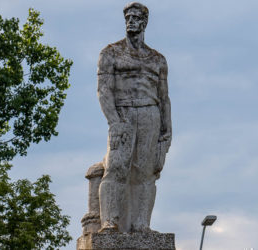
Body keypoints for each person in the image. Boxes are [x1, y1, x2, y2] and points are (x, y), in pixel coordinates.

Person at [97, 2, 172, 233]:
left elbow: (164, 97)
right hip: (124, 113)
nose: (131, 21)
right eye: (128, 17)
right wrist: (114, 121)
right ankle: (110, 222)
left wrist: (167, 130)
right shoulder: (110, 52)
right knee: (116, 167)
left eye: (136, 17)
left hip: (150, 114)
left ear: (144, 22)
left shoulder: (157, 59)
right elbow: (104, 90)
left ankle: (142, 225)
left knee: (146, 172)